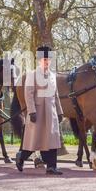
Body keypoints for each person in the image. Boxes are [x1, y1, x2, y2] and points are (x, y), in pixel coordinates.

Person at [16, 46, 64, 175]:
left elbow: (56, 95)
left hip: (51, 112)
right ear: (39, 60)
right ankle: (21, 156)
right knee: (35, 140)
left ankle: (51, 167)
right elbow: (28, 94)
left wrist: (60, 112)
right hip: (38, 112)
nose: (47, 62)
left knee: (52, 140)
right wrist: (31, 111)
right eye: (44, 59)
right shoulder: (32, 75)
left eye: (48, 59)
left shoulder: (53, 75)